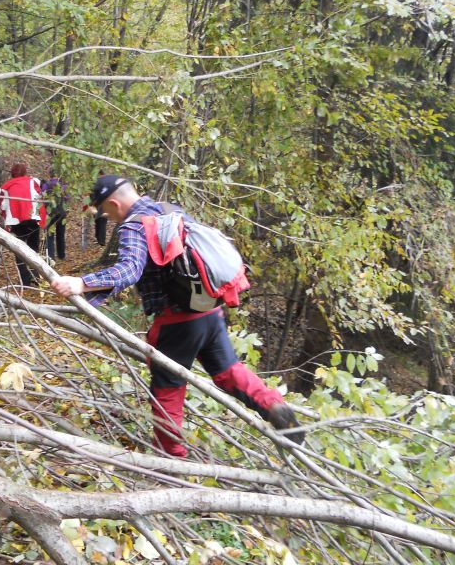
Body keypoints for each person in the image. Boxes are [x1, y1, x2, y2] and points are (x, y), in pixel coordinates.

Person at [50, 175, 302, 457]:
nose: (110, 219)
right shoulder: (170, 210)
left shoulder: (134, 226)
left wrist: (82, 283)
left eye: (107, 213)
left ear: (113, 202)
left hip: (176, 323)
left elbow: (130, 270)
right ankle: (274, 406)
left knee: (167, 389)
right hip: (210, 312)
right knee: (228, 371)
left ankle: (171, 458)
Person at [0, 163, 46, 286]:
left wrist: (6, 221)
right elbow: (40, 197)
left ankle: (25, 281)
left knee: (19, 251)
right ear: (24, 172)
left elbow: (3, 206)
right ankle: (35, 277)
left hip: (16, 222)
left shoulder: (4, 188)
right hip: (32, 219)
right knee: (33, 249)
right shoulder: (33, 182)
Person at [41, 170, 68, 262]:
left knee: (49, 235)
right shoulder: (63, 186)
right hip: (62, 212)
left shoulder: (46, 185)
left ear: (50, 175)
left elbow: (42, 197)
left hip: (50, 213)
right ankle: (62, 255)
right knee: (61, 234)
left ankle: (51, 257)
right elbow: (67, 198)